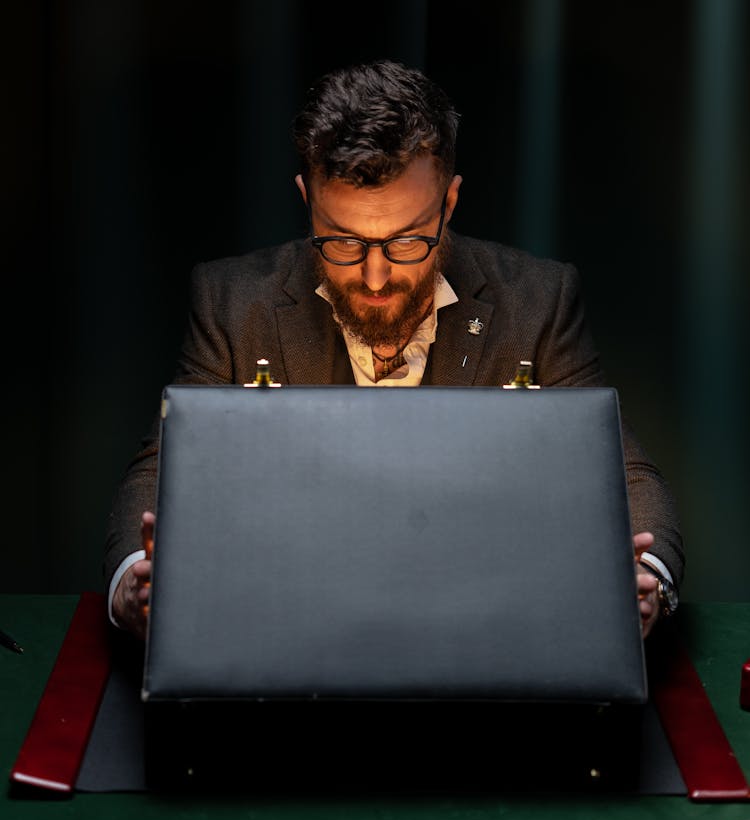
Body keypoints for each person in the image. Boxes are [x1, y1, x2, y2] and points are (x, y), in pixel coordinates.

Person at [104, 58, 684, 640]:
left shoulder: (540, 300)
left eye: (408, 239)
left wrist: (646, 579)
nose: (376, 276)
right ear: (307, 198)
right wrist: (135, 578)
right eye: (343, 241)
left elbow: (622, 472)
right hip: (293, 622)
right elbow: (160, 470)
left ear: (449, 203)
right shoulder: (231, 301)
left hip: (481, 624)